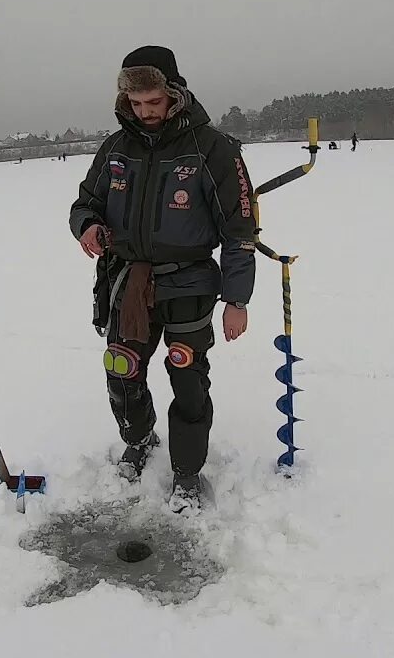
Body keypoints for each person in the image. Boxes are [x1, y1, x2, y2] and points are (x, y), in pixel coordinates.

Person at [69, 45, 256, 513]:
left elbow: (240, 229)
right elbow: (84, 203)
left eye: (154, 102)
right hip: (128, 283)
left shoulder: (211, 148)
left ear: (174, 93)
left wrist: (237, 298)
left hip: (190, 284)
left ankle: (187, 474)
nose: (145, 113)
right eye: (136, 104)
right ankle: (139, 438)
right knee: (121, 370)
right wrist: (87, 226)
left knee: (187, 377)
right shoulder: (114, 148)